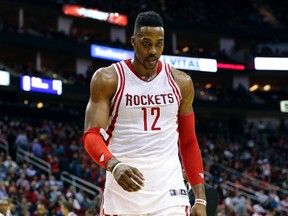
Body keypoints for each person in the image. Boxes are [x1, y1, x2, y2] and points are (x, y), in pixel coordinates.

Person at [83, 11, 206, 216]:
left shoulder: (181, 82)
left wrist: (200, 198)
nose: (153, 51)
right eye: (146, 43)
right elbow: (91, 135)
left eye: (159, 43)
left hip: (169, 193)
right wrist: (113, 165)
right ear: (133, 41)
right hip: (124, 190)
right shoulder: (108, 79)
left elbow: (188, 142)